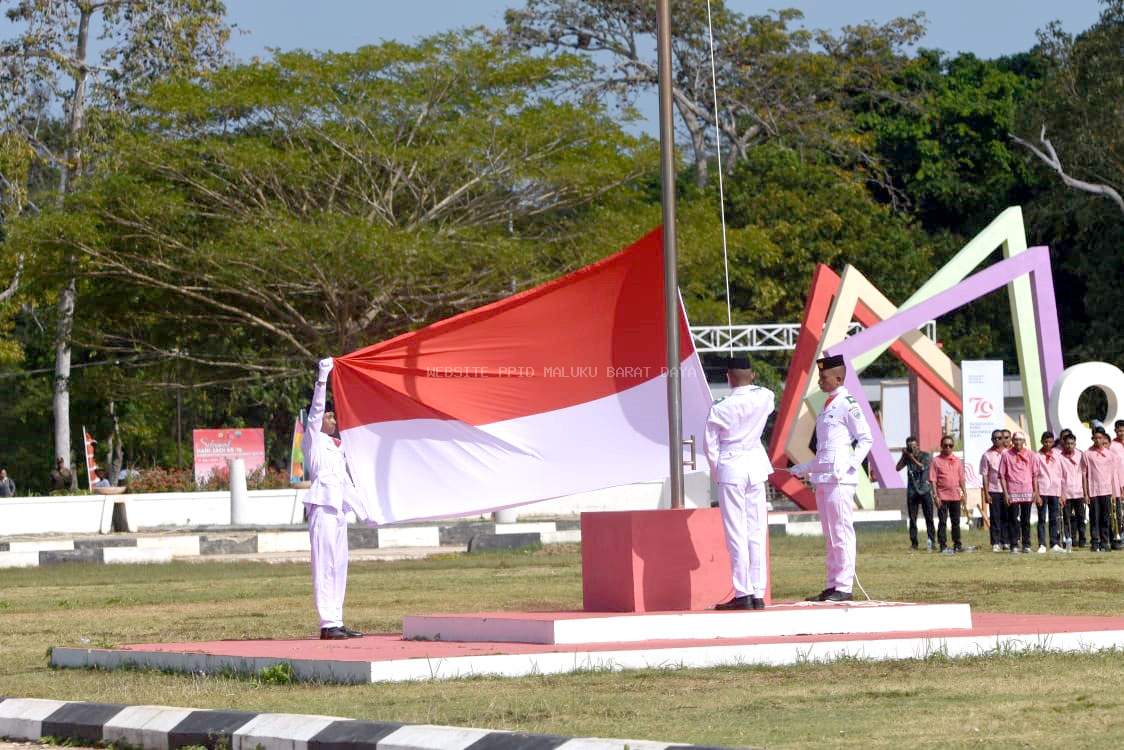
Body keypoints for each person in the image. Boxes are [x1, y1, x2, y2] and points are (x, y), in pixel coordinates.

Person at [790, 354, 873, 603]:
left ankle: (844, 585)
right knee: (829, 533)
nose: (820, 380)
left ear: (838, 377)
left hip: (839, 479)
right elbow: (826, 449)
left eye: (824, 377)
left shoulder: (848, 402)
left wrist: (850, 463)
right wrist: (804, 468)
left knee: (841, 531)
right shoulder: (828, 404)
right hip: (824, 477)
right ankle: (831, 584)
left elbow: (866, 438)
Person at [305, 357, 374, 639]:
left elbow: (346, 484)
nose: (332, 419)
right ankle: (326, 622)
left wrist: (366, 513)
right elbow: (316, 409)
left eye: (334, 416)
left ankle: (337, 619)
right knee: (323, 563)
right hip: (322, 506)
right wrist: (323, 377)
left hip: (339, 509)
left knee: (339, 565)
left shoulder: (339, 447)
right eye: (329, 416)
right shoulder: (313, 439)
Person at [704, 356, 775, 611]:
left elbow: (710, 445)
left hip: (732, 465)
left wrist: (717, 472)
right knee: (757, 532)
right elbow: (766, 404)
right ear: (752, 375)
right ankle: (758, 592)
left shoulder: (720, 406)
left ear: (728, 377)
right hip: (755, 466)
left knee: (737, 533)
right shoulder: (765, 396)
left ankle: (743, 592)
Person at [999, 431, 1037, 554]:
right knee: (1013, 519)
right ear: (1012, 441)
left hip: (1027, 490)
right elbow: (1002, 475)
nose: (1018, 442)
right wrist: (1005, 493)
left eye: (1020, 439)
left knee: (1026, 519)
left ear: (1024, 441)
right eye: (1015, 439)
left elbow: (1035, 474)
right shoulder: (1006, 455)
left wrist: (1036, 491)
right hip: (1012, 491)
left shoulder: (1031, 455)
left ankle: (1026, 544)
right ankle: (1014, 544)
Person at [929, 435, 967, 554]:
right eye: (945, 445)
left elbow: (961, 479)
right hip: (942, 497)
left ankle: (957, 544)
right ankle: (943, 545)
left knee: (956, 521)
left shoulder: (957, 461)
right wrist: (935, 496)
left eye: (950, 445)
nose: (948, 448)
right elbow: (932, 480)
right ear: (941, 446)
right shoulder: (936, 461)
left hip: (955, 496)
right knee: (943, 521)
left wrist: (964, 493)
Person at [896, 437, 935, 551]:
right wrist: (904, 456)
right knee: (912, 519)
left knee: (929, 518)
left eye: (913, 446)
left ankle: (931, 541)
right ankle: (914, 544)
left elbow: (921, 466)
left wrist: (910, 457)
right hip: (912, 492)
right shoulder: (907, 457)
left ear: (917, 446)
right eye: (909, 446)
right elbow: (897, 468)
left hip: (925, 490)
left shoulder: (926, 456)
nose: (912, 448)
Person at [1083, 428, 1116, 553]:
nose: (1098, 440)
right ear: (1092, 438)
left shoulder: (1110, 454)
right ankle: (1095, 542)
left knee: (1105, 517)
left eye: (1100, 438)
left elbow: (1112, 475)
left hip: (1106, 490)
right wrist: (1085, 493)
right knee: (1094, 517)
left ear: (1104, 439)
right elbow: (1084, 474)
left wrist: (1113, 492)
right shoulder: (1087, 454)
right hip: (1093, 490)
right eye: (1095, 438)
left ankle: (1105, 541)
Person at [979, 430, 1008, 552]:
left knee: (1007, 516)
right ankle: (996, 542)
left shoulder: (1009, 453)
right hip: (994, 489)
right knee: (995, 517)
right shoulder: (987, 455)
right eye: (994, 438)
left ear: (1003, 439)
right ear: (992, 440)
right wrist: (986, 493)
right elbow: (985, 475)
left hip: (1008, 489)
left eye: (999, 438)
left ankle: (1006, 541)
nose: (997, 440)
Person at [1035, 432, 1063, 552]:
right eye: (1046, 441)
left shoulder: (1057, 454)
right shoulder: (1037, 456)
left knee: (1054, 517)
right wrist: (1037, 494)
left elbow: (1061, 473)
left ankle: (1054, 543)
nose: (1048, 444)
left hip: (1055, 490)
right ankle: (1042, 544)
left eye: (1050, 442)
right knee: (1041, 518)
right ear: (1042, 442)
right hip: (1042, 489)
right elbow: (1034, 475)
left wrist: (1061, 492)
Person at [1058, 431, 1087, 548]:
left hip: (1079, 492)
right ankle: (1069, 539)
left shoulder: (1080, 455)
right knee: (1067, 518)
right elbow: (1059, 476)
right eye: (1067, 443)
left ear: (1075, 444)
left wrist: (1086, 493)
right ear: (1064, 444)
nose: (1069, 446)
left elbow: (1084, 474)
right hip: (1067, 493)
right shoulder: (1059, 457)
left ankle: (1082, 539)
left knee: (1081, 517)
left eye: (1072, 443)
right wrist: (1061, 494)